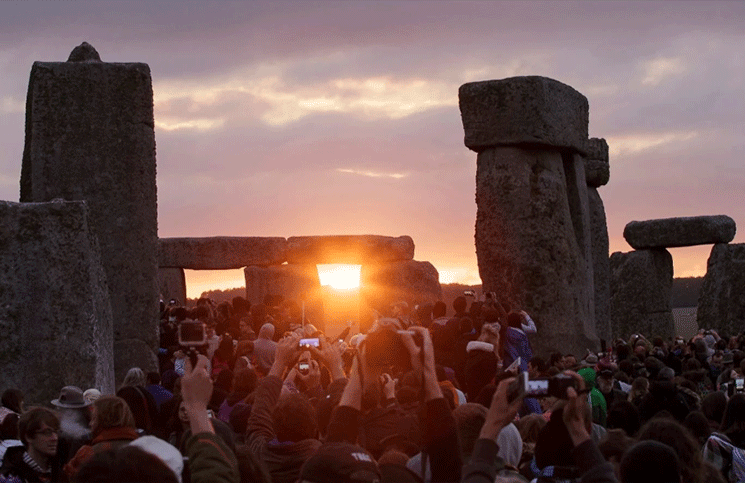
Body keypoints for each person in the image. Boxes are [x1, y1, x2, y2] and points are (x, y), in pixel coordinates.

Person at [62, 396, 140, 479]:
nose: (90, 424)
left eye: (94, 418)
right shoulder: (144, 448)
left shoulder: (89, 454)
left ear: (103, 419)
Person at [0, 407, 64, 483]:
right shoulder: (11, 477)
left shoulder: (61, 471)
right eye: (47, 432)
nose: (55, 438)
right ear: (28, 437)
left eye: (56, 432)